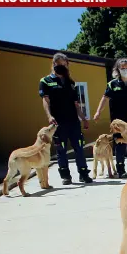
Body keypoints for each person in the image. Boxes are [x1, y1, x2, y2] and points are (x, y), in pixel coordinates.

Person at [39, 52, 93, 184]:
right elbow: (46, 101)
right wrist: (49, 116)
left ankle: (83, 174)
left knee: (79, 147)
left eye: (65, 65)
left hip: (73, 122)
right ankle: (66, 176)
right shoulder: (45, 81)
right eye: (59, 65)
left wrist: (84, 118)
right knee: (61, 149)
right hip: (58, 123)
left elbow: (76, 104)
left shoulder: (71, 83)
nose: (62, 67)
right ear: (54, 65)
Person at [94, 57, 127, 178]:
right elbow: (104, 99)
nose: (125, 69)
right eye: (122, 67)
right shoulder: (112, 84)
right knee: (119, 145)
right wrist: (98, 112)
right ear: (117, 69)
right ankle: (120, 169)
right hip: (117, 122)